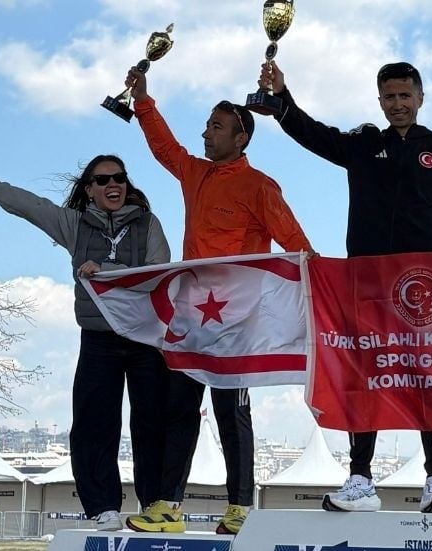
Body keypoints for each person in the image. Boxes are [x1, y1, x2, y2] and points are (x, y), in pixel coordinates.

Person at [257, 60, 432, 513]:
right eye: (389, 97)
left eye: (405, 95)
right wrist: (282, 102)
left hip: (422, 288)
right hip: (366, 281)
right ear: (380, 101)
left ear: (420, 98)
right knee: (365, 374)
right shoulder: (362, 144)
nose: (398, 104)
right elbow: (314, 135)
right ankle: (360, 478)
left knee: (429, 376)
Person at [121, 67, 314, 535]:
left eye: (216, 126)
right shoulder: (196, 174)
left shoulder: (260, 186)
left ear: (241, 137)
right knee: (179, 409)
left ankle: (240, 509)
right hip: (193, 317)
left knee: (232, 411)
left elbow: (294, 242)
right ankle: (167, 506)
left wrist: (321, 283)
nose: (206, 133)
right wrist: (143, 102)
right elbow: (166, 149)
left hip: (238, 321)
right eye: (207, 125)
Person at [0, 151, 172, 531]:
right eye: (102, 180)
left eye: (119, 178)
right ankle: (104, 507)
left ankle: (155, 504)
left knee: (151, 423)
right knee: (93, 424)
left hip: (144, 337)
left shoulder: (148, 224)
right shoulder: (74, 225)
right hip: (98, 339)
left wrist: (107, 270)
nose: (113, 184)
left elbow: (158, 274)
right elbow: (27, 205)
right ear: (89, 189)